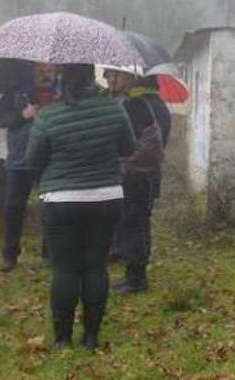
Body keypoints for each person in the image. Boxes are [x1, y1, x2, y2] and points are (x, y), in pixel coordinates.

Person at [26, 63, 137, 350]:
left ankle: (62, 339)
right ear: (93, 77)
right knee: (95, 267)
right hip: (106, 198)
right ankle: (91, 337)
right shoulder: (114, 108)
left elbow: (32, 160)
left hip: (61, 201)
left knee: (65, 270)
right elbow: (128, 148)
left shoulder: (49, 114)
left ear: (63, 77)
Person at [103, 68, 171, 294]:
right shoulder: (157, 103)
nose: (111, 80)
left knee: (133, 224)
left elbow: (123, 144)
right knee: (141, 222)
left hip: (133, 176)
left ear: (132, 76)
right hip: (150, 175)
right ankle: (134, 266)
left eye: (115, 75)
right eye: (108, 76)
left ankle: (135, 278)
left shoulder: (135, 106)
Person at [0, 62, 58, 273]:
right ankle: (9, 255)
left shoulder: (63, 92)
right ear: (32, 72)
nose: (45, 76)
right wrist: (23, 115)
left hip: (50, 159)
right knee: (13, 207)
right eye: (41, 72)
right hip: (19, 159)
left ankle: (50, 254)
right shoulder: (16, 92)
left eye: (49, 71)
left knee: (50, 207)